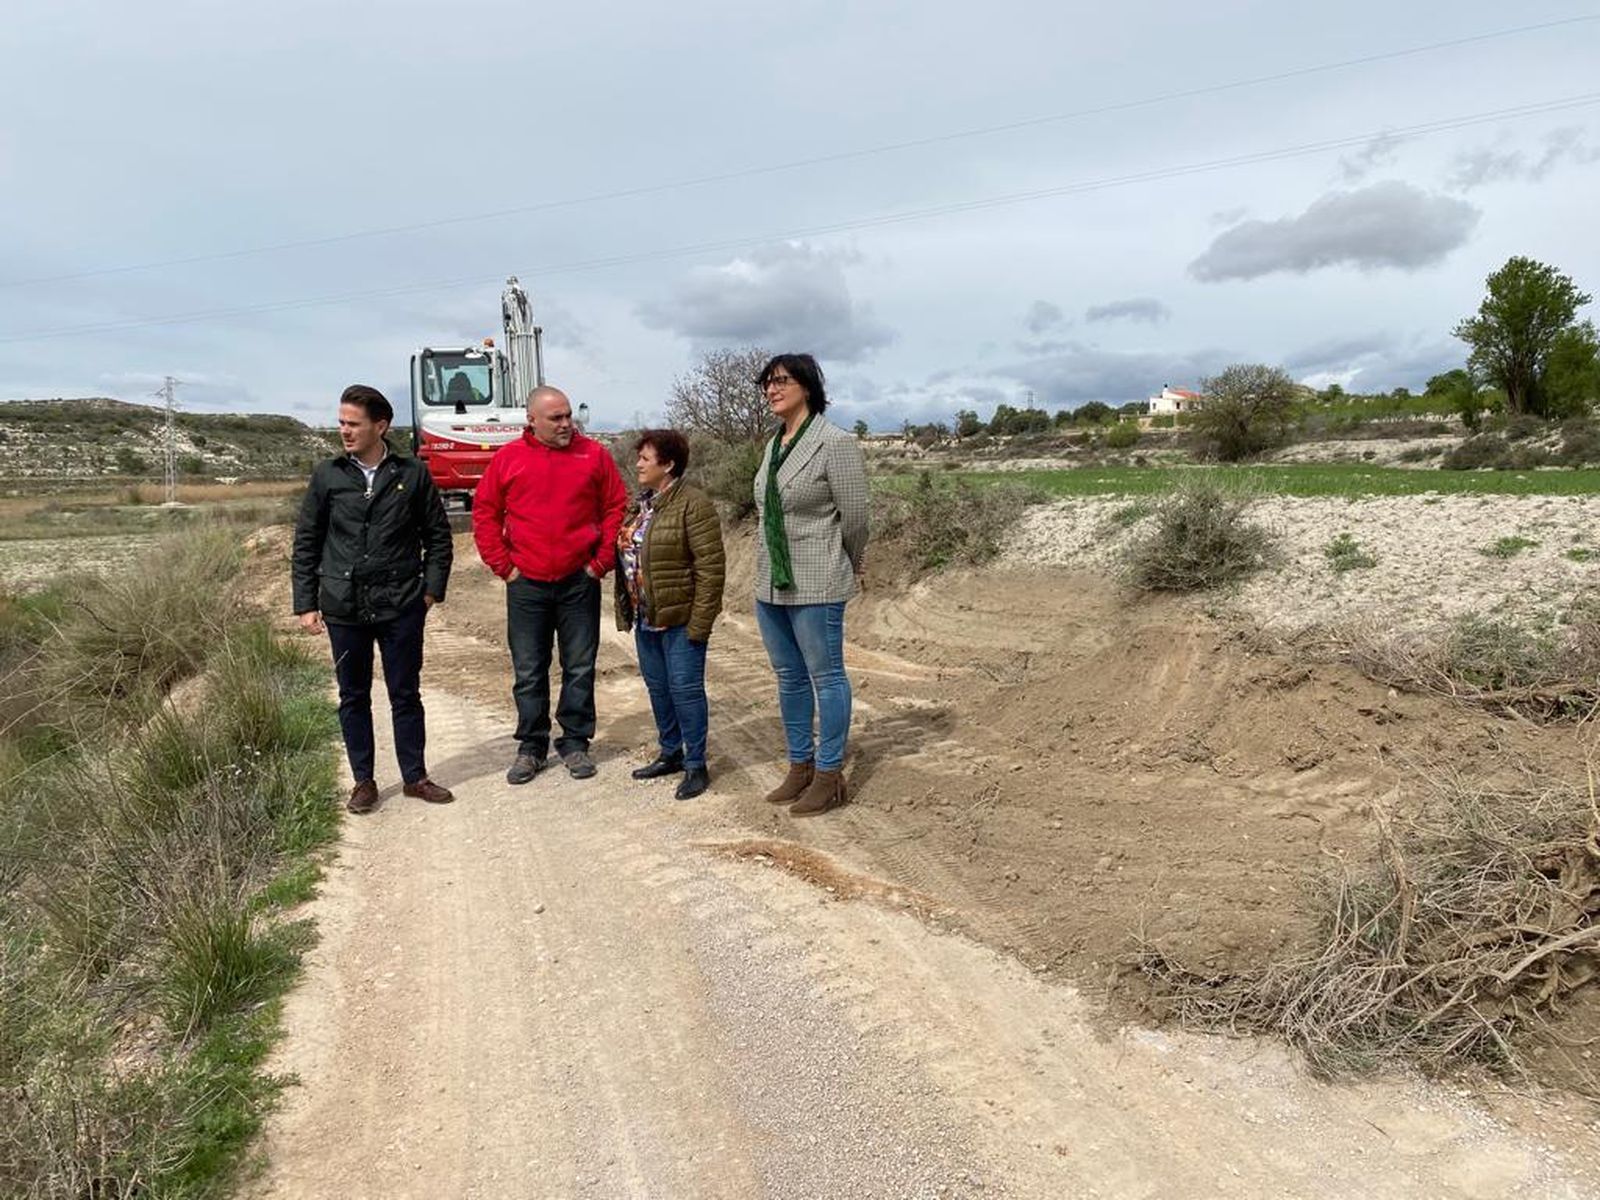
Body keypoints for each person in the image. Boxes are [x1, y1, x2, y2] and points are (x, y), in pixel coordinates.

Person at [291, 384, 455, 814]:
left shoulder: (412, 473)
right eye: (341, 422)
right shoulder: (328, 475)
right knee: (353, 695)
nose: (344, 431)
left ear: (380, 426)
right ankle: (363, 781)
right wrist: (306, 603)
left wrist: (431, 592)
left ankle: (415, 777)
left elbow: (438, 537)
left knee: (405, 692)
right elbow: (307, 541)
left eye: (353, 424)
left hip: (401, 603)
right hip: (344, 605)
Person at [473, 385, 628, 783]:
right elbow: (485, 513)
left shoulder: (593, 455)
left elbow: (615, 505)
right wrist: (504, 568)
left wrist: (600, 563)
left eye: (567, 415)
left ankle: (575, 743)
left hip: (579, 580)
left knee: (579, 666)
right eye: (555, 418)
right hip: (527, 584)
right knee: (529, 669)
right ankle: (532, 746)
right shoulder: (508, 459)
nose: (565, 424)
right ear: (532, 420)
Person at [751, 354, 869, 817]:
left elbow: (856, 518)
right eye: (767, 383)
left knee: (826, 676)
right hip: (771, 583)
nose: (772, 390)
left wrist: (847, 562)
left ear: (807, 386)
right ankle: (799, 766)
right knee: (789, 677)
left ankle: (828, 773)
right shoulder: (774, 444)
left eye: (781, 381)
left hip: (817, 579)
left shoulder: (833, 442)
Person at [614, 430, 726, 800]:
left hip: (680, 619)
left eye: (646, 458)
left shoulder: (693, 504)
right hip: (647, 615)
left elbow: (711, 568)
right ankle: (671, 753)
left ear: (669, 464)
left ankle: (696, 764)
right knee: (659, 688)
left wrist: (700, 623)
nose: (639, 465)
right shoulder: (642, 504)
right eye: (639, 458)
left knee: (685, 691)